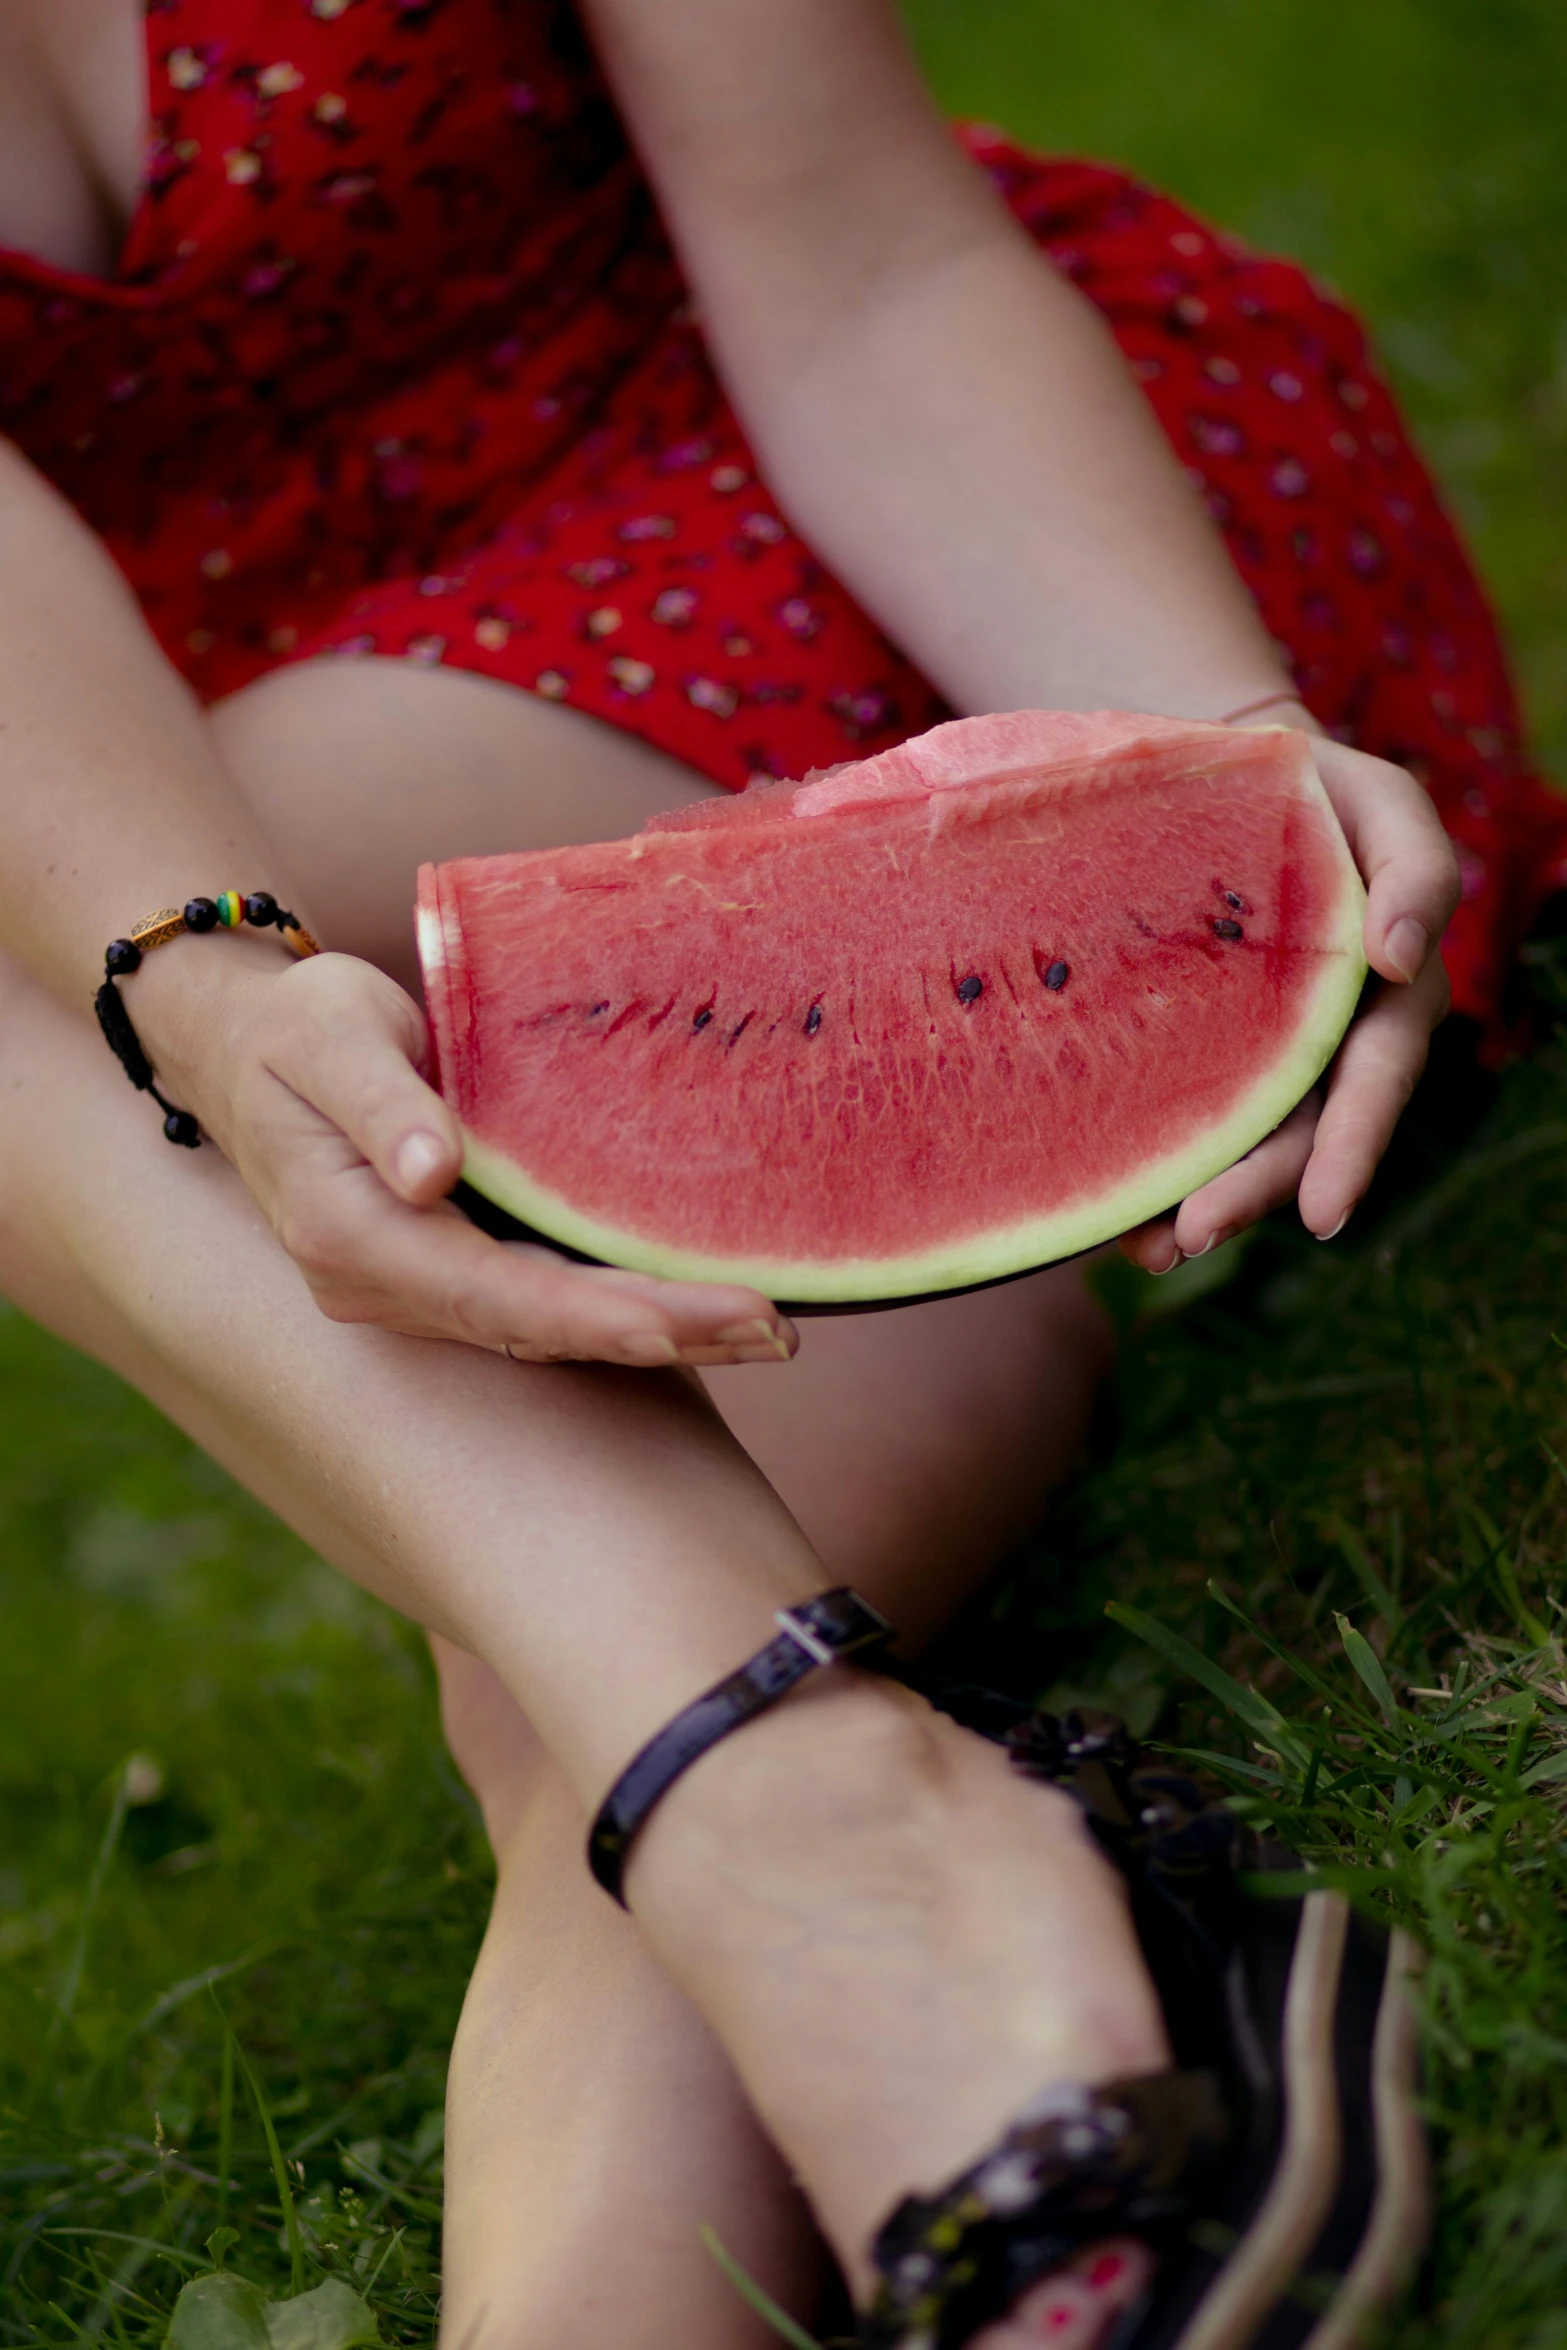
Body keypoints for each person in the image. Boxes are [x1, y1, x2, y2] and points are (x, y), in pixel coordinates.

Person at [0, 2, 1557, 2343]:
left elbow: (864, 274)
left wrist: (1206, 764)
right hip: (255, 795)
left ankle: (830, 1828)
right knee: (610, 1647)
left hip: (891, 549)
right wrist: (195, 974)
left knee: (576, 1633)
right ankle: (827, 1878)